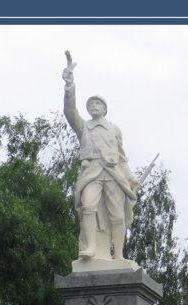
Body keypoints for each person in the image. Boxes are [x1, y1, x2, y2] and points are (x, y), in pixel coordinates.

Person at [62, 51, 140, 261]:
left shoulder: (115, 130)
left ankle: (120, 255)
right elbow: (69, 111)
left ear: (104, 109)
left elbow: (122, 158)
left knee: (117, 216)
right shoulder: (83, 127)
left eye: (97, 104)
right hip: (92, 173)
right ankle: (90, 248)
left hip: (114, 174)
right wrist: (69, 83)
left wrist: (130, 177)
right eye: (90, 105)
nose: (93, 107)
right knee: (88, 206)